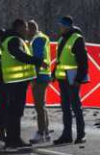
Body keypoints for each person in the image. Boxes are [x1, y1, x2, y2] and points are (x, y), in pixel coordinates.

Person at [0, 19, 41, 149]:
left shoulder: (9, 39)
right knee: (16, 112)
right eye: (25, 27)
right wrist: (36, 61)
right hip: (16, 82)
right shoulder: (14, 40)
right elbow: (19, 55)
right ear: (19, 27)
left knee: (13, 111)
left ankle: (10, 139)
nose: (27, 30)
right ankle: (14, 139)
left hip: (12, 81)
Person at [53, 16, 89, 145]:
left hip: (72, 77)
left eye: (62, 25)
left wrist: (78, 79)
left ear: (67, 26)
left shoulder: (77, 39)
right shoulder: (62, 39)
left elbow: (83, 61)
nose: (60, 28)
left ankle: (81, 135)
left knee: (76, 107)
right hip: (63, 78)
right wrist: (54, 73)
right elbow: (59, 59)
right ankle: (66, 135)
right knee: (66, 108)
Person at [27, 20, 52, 144]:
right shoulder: (42, 37)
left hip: (40, 76)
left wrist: (34, 77)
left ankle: (41, 132)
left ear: (31, 29)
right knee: (42, 105)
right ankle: (45, 132)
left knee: (39, 106)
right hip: (44, 75)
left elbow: (37, 58)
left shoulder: (37, 39)